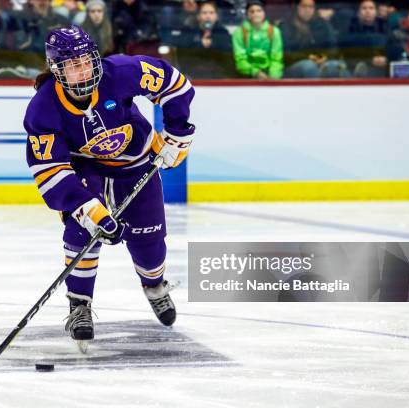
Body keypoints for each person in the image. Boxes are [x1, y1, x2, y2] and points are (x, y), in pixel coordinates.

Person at [24, 26, 195, 346]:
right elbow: (49, 170)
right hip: (87, 170)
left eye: (87, 61)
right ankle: (79, 305)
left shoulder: (119, 73)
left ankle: (155, 286)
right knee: (81, 232)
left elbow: (175, 85)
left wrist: (178, 132)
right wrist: (87, 209)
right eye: (72, 65)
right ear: (57, 70)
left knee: (150, 237)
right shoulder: (43, 108)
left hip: (137, 164)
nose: (83, 69)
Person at [279, 0, 349, 78]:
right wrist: (311, 58)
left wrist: (325, 57)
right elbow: (286, 53)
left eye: (311, 7)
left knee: (337, 65)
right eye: (304, 6)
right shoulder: (286, 26)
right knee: (309, 66)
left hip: (322, 60)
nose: (307, 10)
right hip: (295, 64)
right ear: (297, 8)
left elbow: (333, 47)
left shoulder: (323, 24)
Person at [178, 1, 234, 78]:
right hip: (194, 76)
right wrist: (199, 44)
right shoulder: (189, 31)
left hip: (218, 76)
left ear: (216, 16)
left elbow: (228, 53)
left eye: (211, 13)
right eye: (204, 13)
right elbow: (182, 53)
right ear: (198, 16)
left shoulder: (223, 32)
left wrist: (213, 43)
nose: (208, 16)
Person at [232, 0, 284, 79]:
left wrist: (273, 76)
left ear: (264, 13)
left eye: (259, 11)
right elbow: (240, 59)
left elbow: (276, 58)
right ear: (247, 14)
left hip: (269, 72)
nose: (255, 14)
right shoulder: (239, 33)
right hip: (247, 74)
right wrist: (255, 72)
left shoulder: (274, 31)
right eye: (252, 11)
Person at [339, 0, 388, 77]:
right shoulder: (350, 27)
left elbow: (393, 47)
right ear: (358, 12)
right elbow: (346, 49)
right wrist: (369, 58)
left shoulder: (385, 27)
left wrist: (386, 58)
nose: (367, 11)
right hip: (355, 63)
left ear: (376, 12)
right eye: (364, 8)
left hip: (382, 65)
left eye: (371, 8)